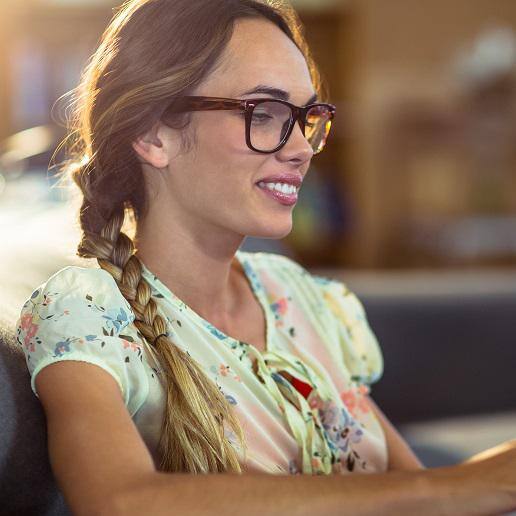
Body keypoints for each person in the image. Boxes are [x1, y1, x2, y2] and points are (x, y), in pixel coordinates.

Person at [14, 0, 516, 514]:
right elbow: (118, 501)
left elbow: (422, 494)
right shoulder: (86, 314)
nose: (301, 148)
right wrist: (467, 484)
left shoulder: (299, 296)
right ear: (152, 134)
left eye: (307, 118)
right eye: (266, 112)